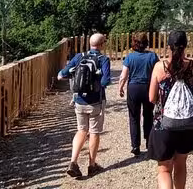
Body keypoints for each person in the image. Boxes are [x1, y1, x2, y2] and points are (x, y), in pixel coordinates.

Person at [148, 30, 193, 189]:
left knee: (164, 169)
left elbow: (151, 98)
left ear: (168, 46)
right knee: (181, 164)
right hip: (187, 125)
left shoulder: (159, 67)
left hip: (163, 124)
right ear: (186, 46)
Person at [58, 33, 111, 178]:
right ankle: (92, 165)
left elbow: (61, 74)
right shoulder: (103, 59)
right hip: (95, 103)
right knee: (94, 133)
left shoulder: (79, 57)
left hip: (79, 101)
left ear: (90, 43)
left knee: (81, 130)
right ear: (101, 44)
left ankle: (73, 162)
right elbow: (106, 81)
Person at [119, 33, 159, 156]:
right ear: (146, 42)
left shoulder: (130, 57)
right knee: (148, 116)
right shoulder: (152, 56)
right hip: (148, 87)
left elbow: (124, 75)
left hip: (134, 88)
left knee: (134, 117)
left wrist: (120, 87)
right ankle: (148, 142)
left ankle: (135, 145)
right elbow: (157, 72)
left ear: (134, 43)